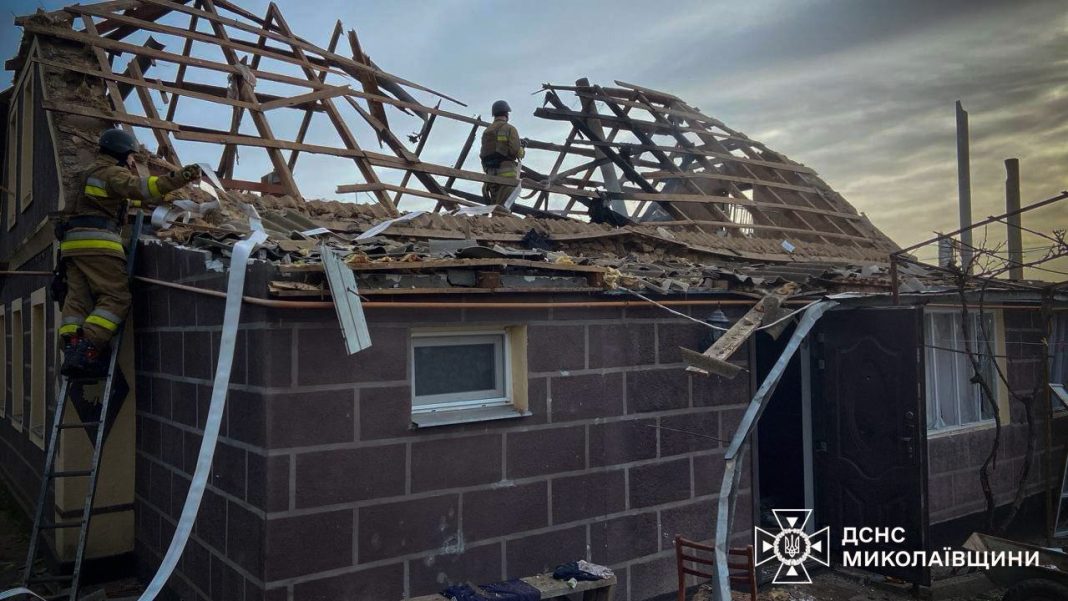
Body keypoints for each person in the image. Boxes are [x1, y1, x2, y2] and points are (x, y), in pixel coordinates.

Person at [58, 128, 202, 377]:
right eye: (132, 157)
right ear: (122, 153)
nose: (133, 161)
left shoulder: (86, 174)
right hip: (98, 244)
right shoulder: (112, 173)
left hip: (71, 245)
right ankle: (88, 348)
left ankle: (71, 346)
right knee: (116, 298)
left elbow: (119, 199)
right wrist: (179, 177)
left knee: (77, 299)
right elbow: (140, 188)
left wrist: (146, 202)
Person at [479, 100, 525, 206]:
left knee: (494, 207)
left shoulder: (487, 131)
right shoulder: (510, 129)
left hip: (490, 176)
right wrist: (522, 150)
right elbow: (515, 151)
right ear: (506, 114)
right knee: (504, 209)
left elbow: (483, 153)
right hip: (507, 176)